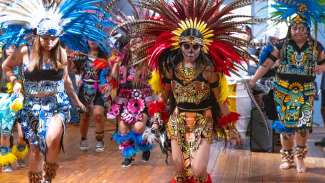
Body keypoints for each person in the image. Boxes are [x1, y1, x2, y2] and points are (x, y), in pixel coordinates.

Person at [116, 0, 262, 182]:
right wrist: (155, 121)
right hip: (178, 121)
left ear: (202, 47)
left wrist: (230, 128)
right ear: (180, 46)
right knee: (180, 170)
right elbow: (163, 96)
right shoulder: (171, 69)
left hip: (203, 121)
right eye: (187, 46)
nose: (191, 50)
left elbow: (220, 100)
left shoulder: (209, 71)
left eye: (195, 47)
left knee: (198, 169)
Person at [0, 0, 109, 181]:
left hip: (56, 106)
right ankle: (38, 179)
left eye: (54, 38)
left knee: (52, 139)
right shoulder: (24, 51)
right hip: (31, 108)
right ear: (36, 35)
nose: (50, 42)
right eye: (45, 38)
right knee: (35, 150)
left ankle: (48, 176)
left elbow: (66, 80)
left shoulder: (61, 53)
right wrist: (15, 81)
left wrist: (77, 102)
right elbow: (7, 66)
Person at [250, 1, 325, 173]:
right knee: (285, 129)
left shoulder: (316, 47)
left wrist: (321, 67)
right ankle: (288, 158)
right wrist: (253, 80)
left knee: (303, 128)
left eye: (301, 28)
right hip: (283, 91)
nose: (298, 31)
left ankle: (300, 159)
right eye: (295, 28)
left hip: (306, 92)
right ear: (290, 29)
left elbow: (324, 62)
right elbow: (267, 63)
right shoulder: (281, 45)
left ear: (307, 29)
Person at [0, 44, 28, 172]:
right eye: (8, 47)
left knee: (23, 134)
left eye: (14, 46)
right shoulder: (3, 65)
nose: (11, 49)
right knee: (5, 134)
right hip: (5, 101)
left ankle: (19, 155)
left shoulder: (24, 62)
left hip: (23, 100)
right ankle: (5, 161)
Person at [77, 40, 108, 152]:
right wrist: (78, 78)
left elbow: (108, 74)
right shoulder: (81, 55)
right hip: (84, 89)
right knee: (84, 116)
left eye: (94, 38)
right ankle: (83, 138)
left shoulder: (105, 57)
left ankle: (99, 140)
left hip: (98, 90)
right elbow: (74, 69)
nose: (92, 41)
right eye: (90, 38)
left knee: (98, 115)